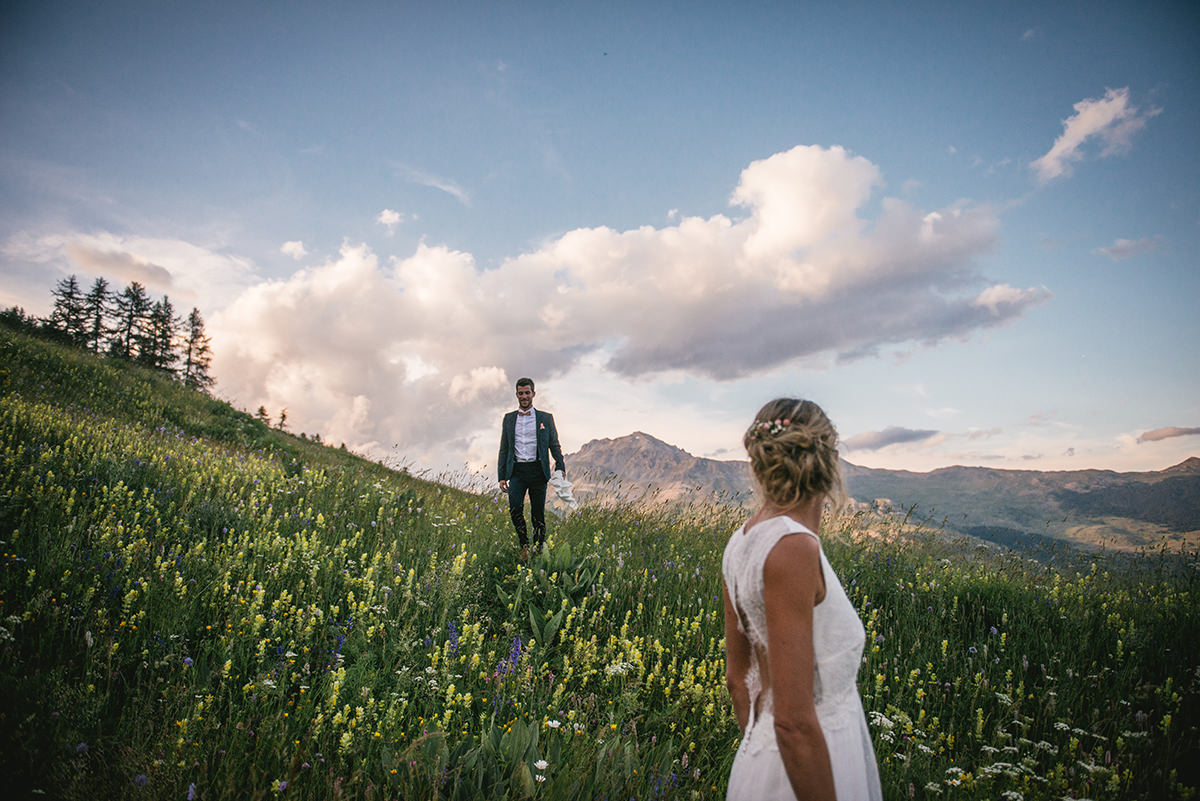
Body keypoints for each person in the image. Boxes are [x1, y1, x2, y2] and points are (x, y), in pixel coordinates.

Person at [721, 398, 882, 801]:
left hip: (768, 761)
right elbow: (793, 721)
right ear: (829, 459)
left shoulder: (740, 542)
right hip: (810, 766)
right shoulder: (794, 547)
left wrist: (762, 758)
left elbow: (738, 682)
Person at [497, 377, 565, 562]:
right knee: (515, 509)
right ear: (517, 395)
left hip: (537, 471)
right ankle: (524, 546)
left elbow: (554, 444)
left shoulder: (545, 418)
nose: (524, 396)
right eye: (521, 393)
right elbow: (504, 447)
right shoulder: (509, 419)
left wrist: (560, 465)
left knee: (538, 513)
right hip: (517, 472)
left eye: (527, 393)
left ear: (533, 394)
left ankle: (538, 548)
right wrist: (502, 476)